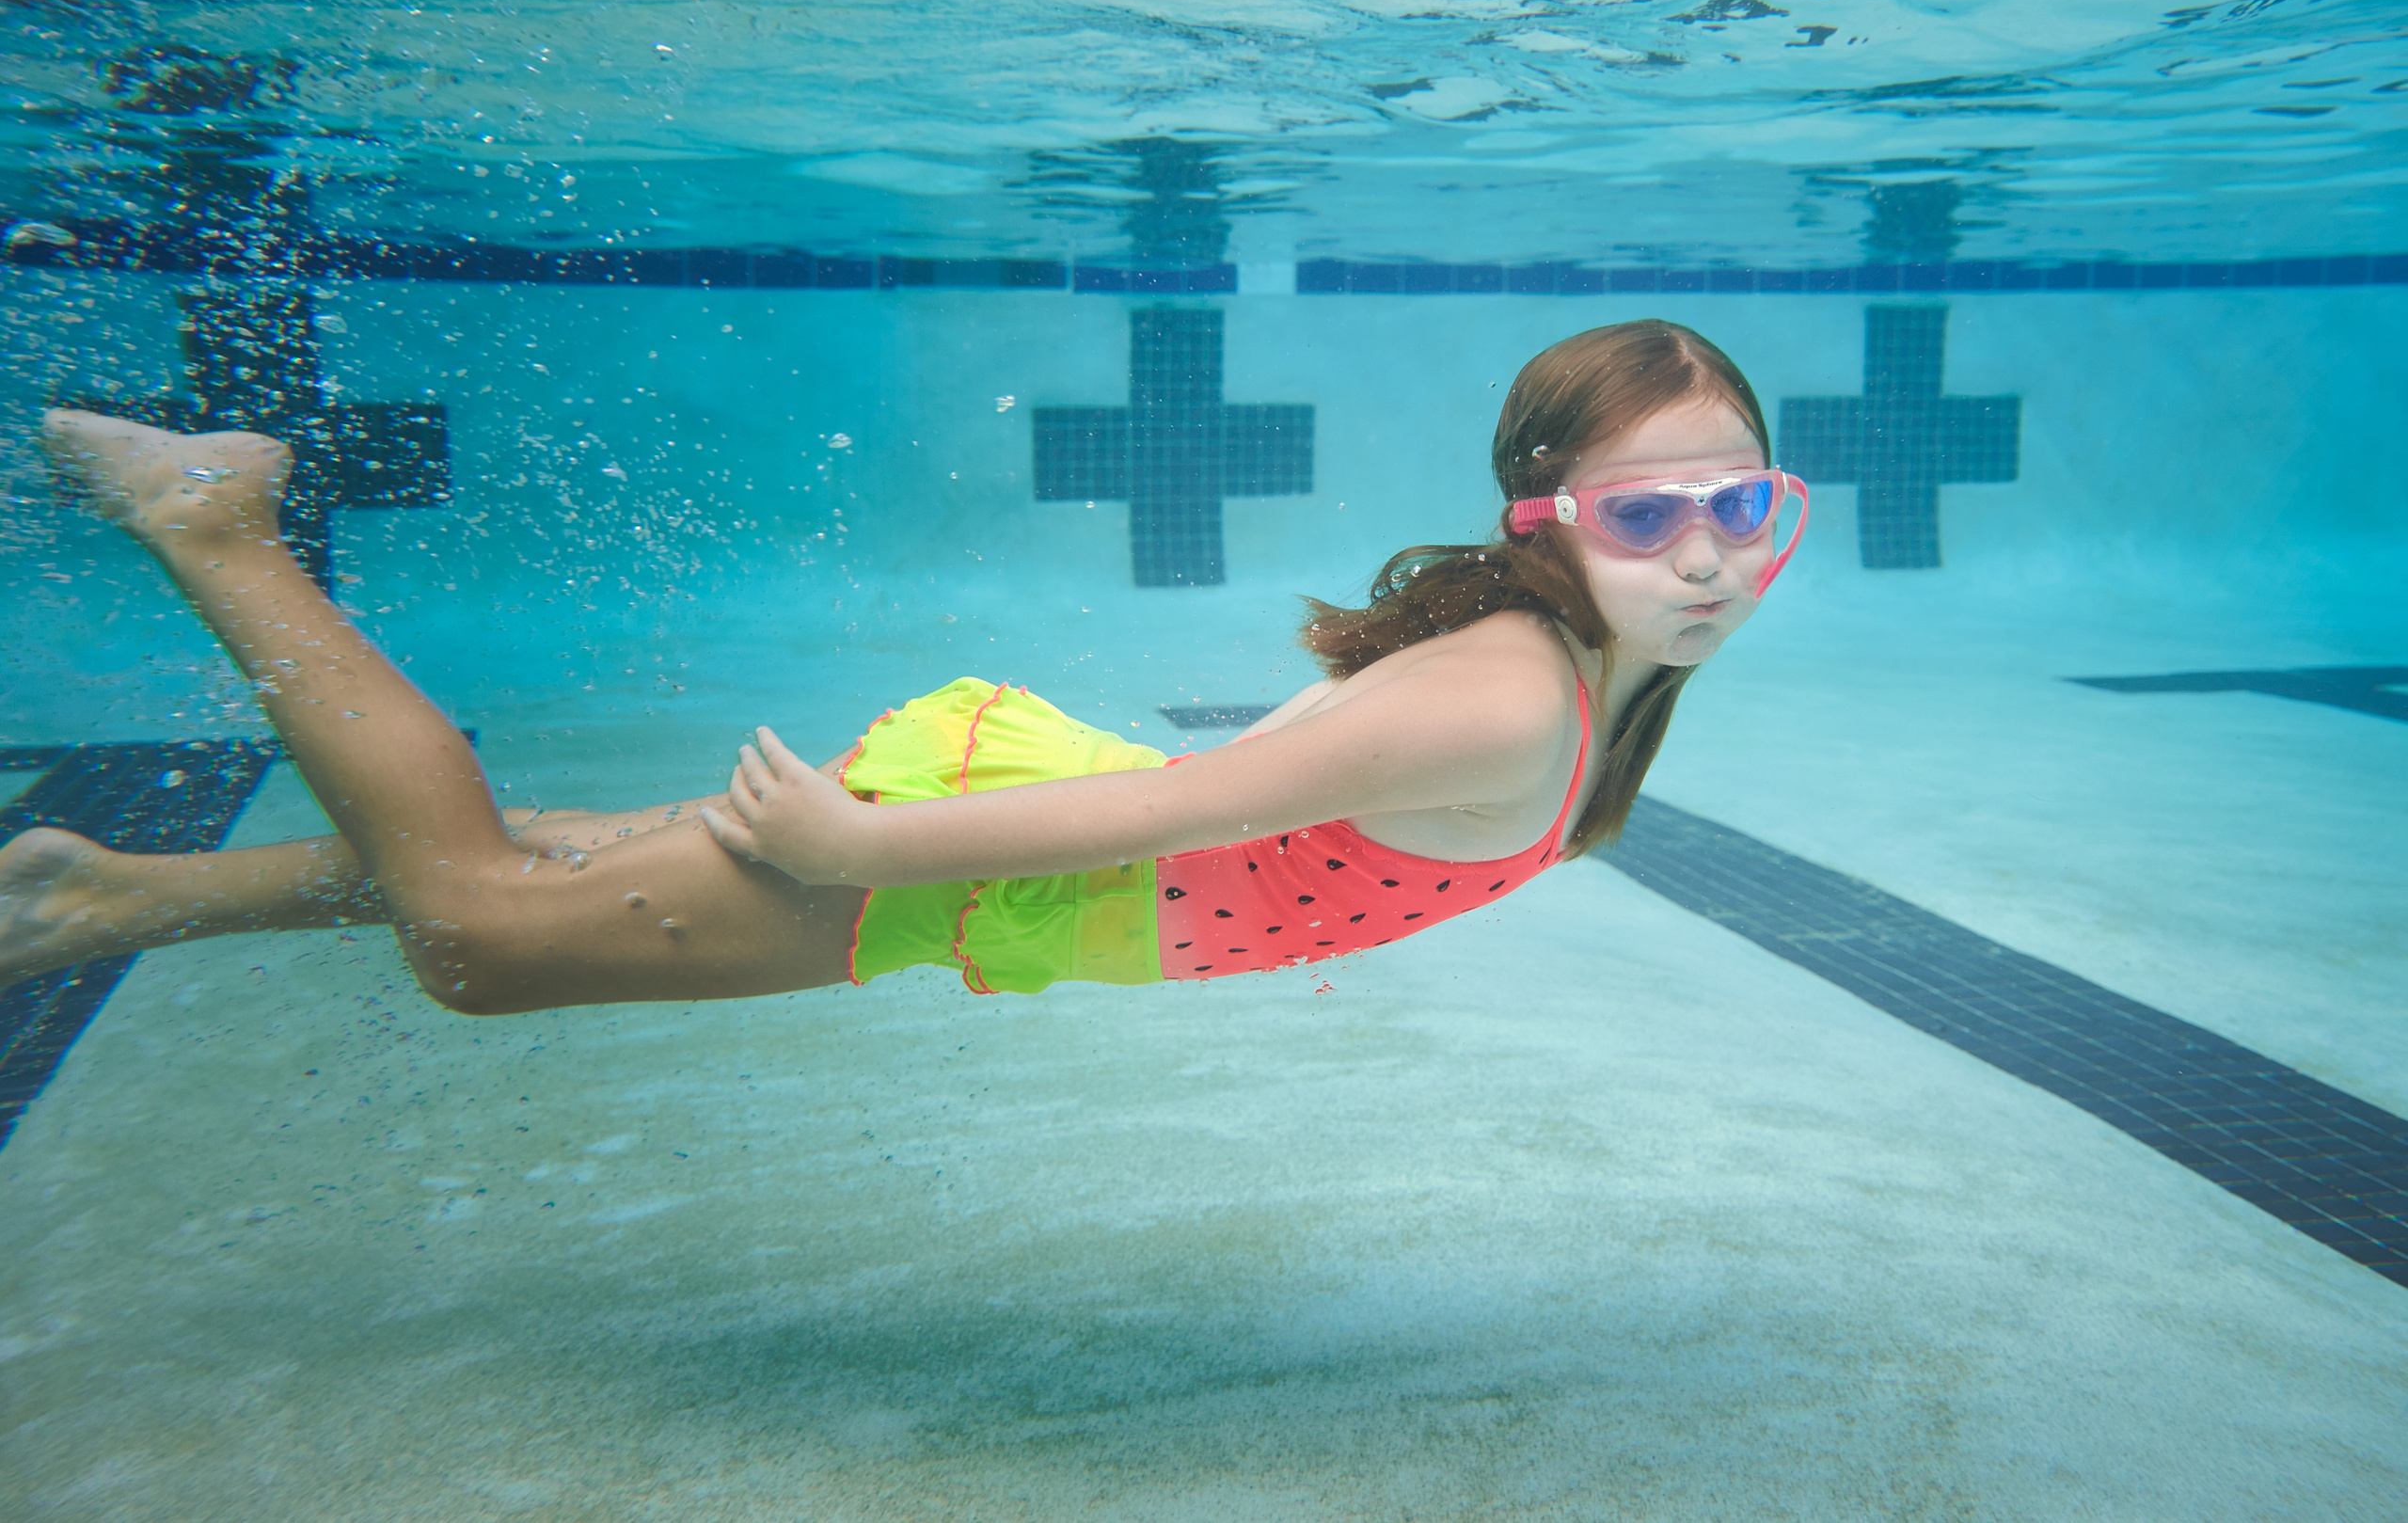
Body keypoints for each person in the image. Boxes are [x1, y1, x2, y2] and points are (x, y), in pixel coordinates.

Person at [0, 320, 1805, 1011]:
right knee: (475, 933)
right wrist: (859, 856)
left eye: (1746, 503)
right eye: (1654, 518)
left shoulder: (1592, 652)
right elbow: (1183, 804)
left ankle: (98, 902)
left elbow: (1277, 793)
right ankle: (218, 529)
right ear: (1544, 520)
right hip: (1004, 870)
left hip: (1035, 849)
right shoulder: (1507, 684)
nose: (1712, 553)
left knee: (546, 858)